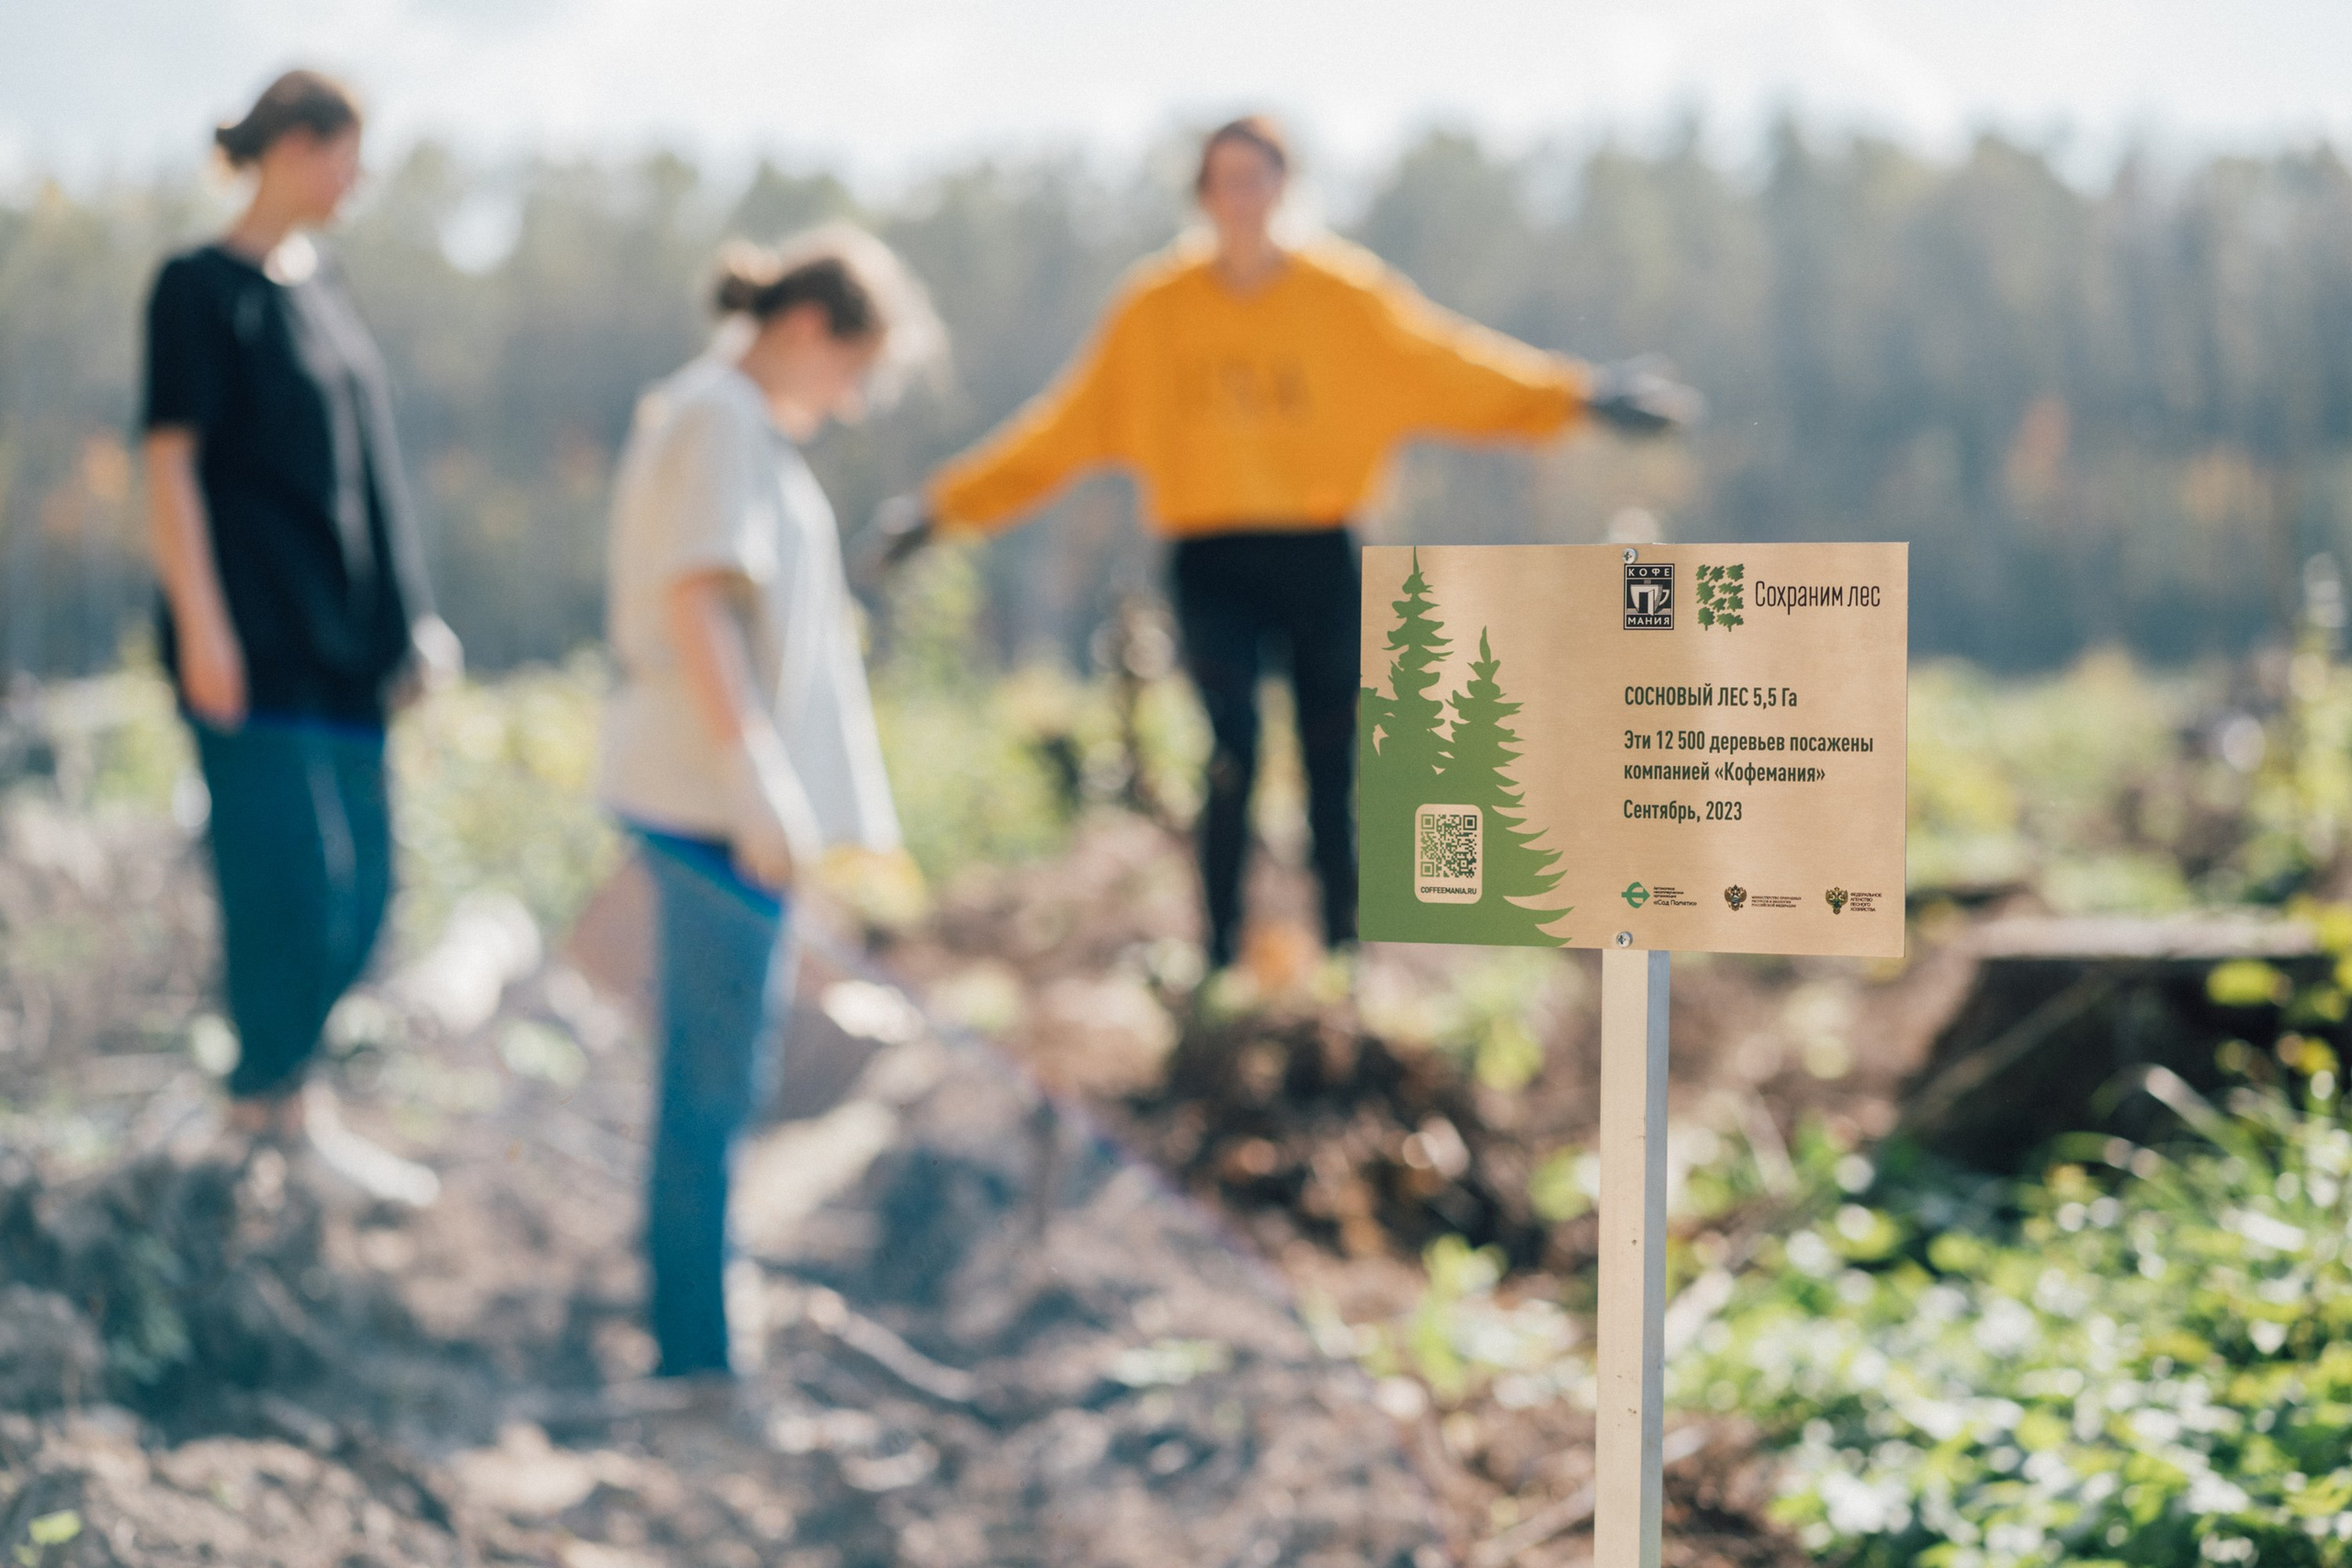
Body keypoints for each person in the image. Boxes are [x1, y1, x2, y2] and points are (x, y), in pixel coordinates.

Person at [883, 116, 1696, 974]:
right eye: (1224, 180)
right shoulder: (1155, 312)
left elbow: (1457, 367)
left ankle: (1345, 961)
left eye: (1258, 177)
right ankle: (1221, 963)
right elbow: (1056, 431)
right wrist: (940, 510)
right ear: (1203, 196)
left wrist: (1583, 396)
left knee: (1332, 755)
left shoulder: (1343, 297)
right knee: (1229, 751)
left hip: (1320, 555)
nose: (1243, 198)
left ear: (1285, 187)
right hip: (1211, 560)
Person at [599, 225, 938, 1382]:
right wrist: (754, 777)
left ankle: (698, 1316)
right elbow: (697, 600)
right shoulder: (719, 418)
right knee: (710, 1076)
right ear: (804, 329)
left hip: (717, 798)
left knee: (721, 1070)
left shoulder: (736, 426)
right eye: (854, 371)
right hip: (705, 798)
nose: (850, 401)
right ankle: (694, 1356)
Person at [143, 70, 459, 1178]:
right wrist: (203, 628)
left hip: (348, 656)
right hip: (252, 650)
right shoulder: (197, 288)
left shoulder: (324, 286)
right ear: (291, 146)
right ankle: (257, 1120)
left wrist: (413, 621)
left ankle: (287, 1104)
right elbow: (171, 465)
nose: (357, 180)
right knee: (284, 889)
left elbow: (372, 475)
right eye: (345, 153)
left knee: (365, 893)